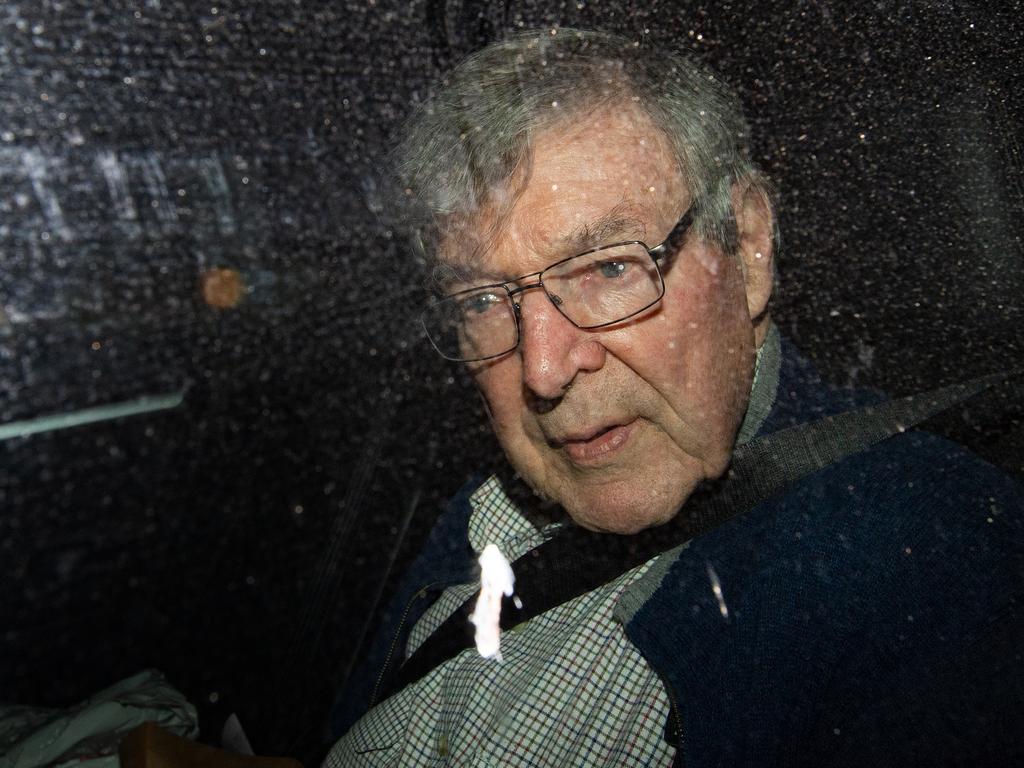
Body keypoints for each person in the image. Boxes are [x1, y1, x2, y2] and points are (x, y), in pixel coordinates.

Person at [324, 29, 1023, 767]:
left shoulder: (931, 566)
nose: (544, 369)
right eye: (482, 301)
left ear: (747, 245)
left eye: (608, 269)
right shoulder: (480, 513)